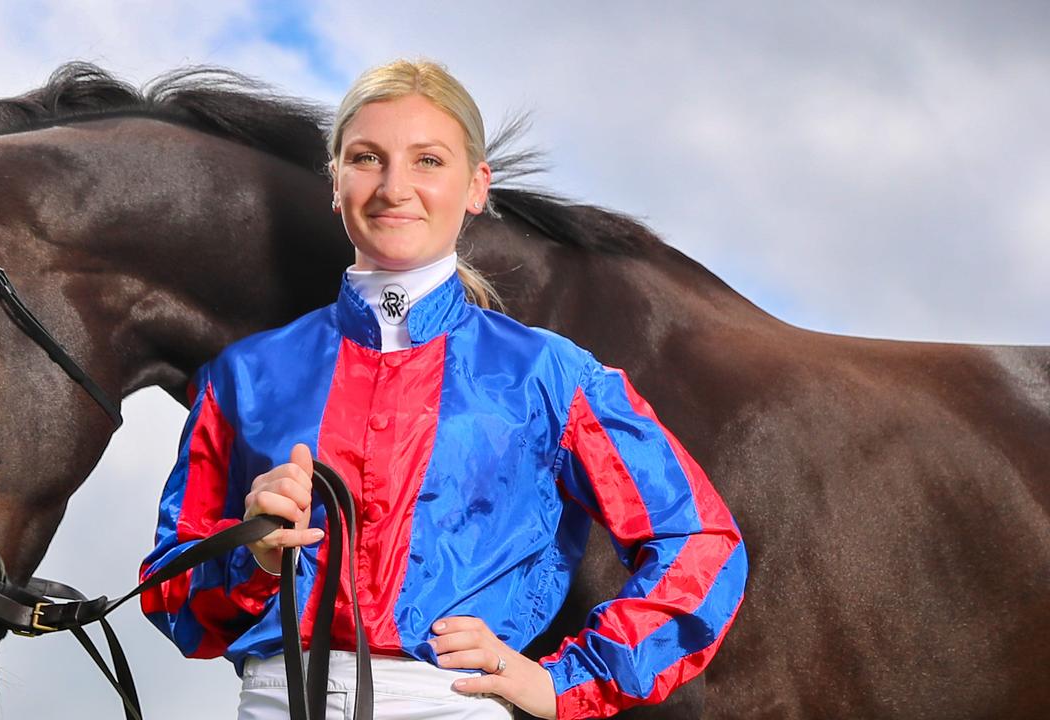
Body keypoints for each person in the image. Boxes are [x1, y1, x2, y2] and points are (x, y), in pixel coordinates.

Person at [140, 58, 747, 720]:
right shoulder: (246, 373)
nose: (394, 187)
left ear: (476, 187)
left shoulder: (550, 374)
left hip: (453, 704)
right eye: (368, 158)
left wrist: (568, 682)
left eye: (427, 161)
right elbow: (173, 600)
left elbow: (701, 545)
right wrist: (253, 555)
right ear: (334, 184)